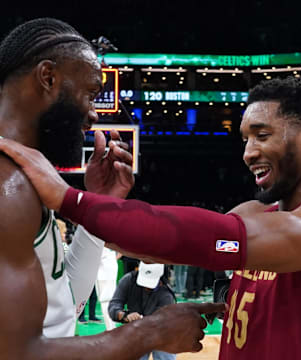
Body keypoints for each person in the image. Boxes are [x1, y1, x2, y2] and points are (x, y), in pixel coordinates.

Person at [6, 75, 301, 359]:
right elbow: (162, 246)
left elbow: (219, 240)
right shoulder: (254, 214)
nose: (249, 153)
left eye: (262, 135)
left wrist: (72, 199)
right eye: (244, 140)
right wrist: (102, 202)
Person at [0, 17, 225, 359]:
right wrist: (150, 331)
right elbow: (17, 352)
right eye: (90, 94)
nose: (94, 115)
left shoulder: (23, 178)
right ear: (48, 78)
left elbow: (63, 305)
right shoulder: (9, 187)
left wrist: (95, 208)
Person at [109, 262, 176, 360]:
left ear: (160, 280)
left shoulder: (166, 294)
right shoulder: (128, 280)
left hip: (161, 333)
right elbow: (114, 305)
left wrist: (141, 321)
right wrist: (124, 316)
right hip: (136, 332)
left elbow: (162, 323)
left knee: (165, 355)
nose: (146, 287)